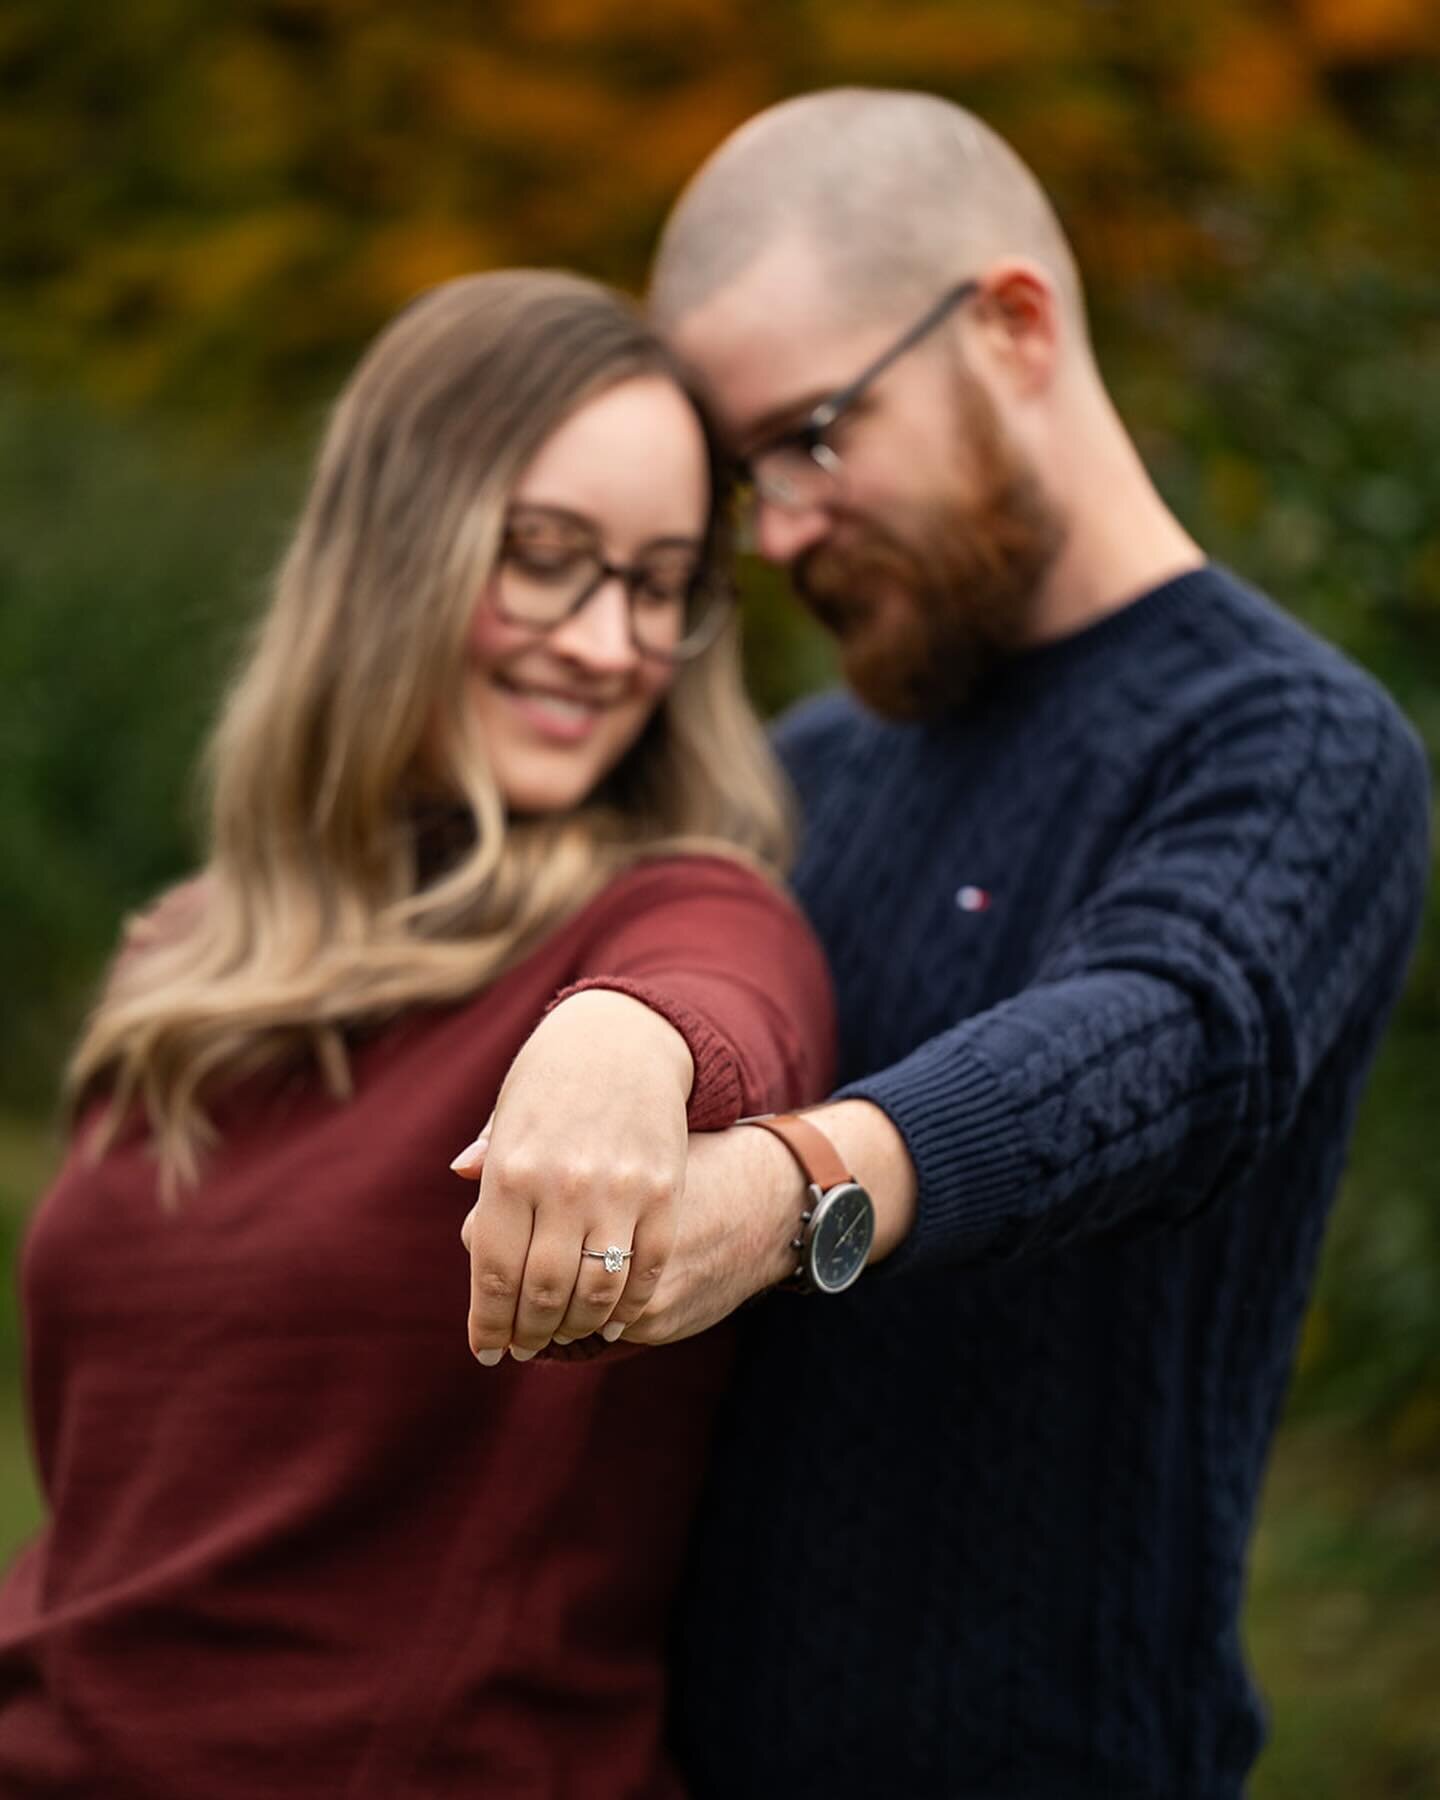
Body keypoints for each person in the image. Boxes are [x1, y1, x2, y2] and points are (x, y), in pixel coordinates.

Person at [461, 90, 1431, 1797]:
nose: (775, 533)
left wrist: (782, 1195)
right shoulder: (808, 766)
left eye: (815, 437)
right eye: (751, 474)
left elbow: (1165, 1035)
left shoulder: (1298, 746)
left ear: (1012, 327)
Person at [0, 270, 834, 1797]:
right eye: (546, 559)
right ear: (391, 547)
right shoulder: (181, 957)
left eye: (658, 583)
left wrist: (624, 1044)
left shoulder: (674, 914)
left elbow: (736, 1005)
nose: (610, 644)